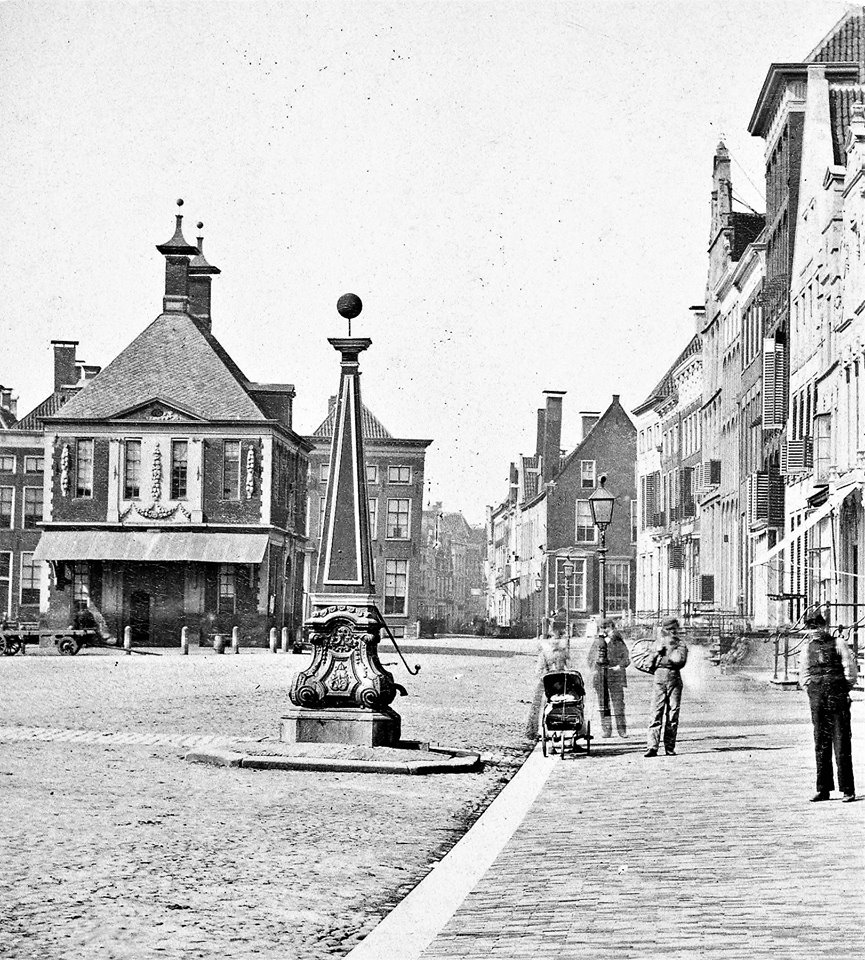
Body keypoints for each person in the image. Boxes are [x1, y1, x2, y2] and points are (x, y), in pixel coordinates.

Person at [798, 611, 858, 803]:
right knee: (820, 743)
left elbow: (850, 671)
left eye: (817, 627)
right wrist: (813, 691)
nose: (815, 631)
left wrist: (841, 688)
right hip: (817, 699)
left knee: (841, 743)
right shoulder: (807, 649)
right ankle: (823, 789)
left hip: (837, 697)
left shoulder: (839, 643)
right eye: (811, 628)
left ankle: (848, 789)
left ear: (825, 627)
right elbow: (804, 676)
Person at [644, 616, 688, 757]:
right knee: (656, 712)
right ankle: (652, 746)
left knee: (673, 713)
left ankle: (669, 747)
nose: (672, 632)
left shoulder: (680, 644)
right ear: (664, 630)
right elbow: (647, 664)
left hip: (674, 677)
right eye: (669, 630)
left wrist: (669, 652)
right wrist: (657, 652)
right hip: (659, 677)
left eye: (674, 629)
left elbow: (680, 661)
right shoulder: (657, 643)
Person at [525, 626, 574, 739]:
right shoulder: (544, 653)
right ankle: (543, 731)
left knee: (571, 700)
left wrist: (567, 673)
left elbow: (571, 667)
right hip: (548, 683)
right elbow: (538, 670)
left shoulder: (564, 653)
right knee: (543, 703)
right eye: (552, 638)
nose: (555, 641)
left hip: (562, 682)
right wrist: (545, 675)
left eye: (558, 638)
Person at [586, 617, 630, 737]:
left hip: (615, 676)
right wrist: (595, 669)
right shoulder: (597, 642)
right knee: (603, 704)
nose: (605, 630)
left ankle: (622, 730)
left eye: (607, 628)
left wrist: (620, 666)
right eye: (602, 628)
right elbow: (590, 659)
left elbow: (626, 658)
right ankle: (606, 730)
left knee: (618, 704)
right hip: (601, 676)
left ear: (612, 628)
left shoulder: (618, 641)